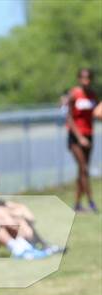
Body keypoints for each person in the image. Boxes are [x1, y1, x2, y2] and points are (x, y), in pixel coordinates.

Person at [0, 170, 64, 255]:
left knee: (19, 219)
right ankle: (34, 247)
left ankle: (40, 246)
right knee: (16, 221)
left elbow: (12, 206)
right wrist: (16, 216)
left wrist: (23, 210)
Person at [66, 68, 99, 213]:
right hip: (75, 137)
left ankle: (77, 204)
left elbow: (97, 111)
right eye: (84, 78)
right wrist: (79, 137)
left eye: (89, 78)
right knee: (84, 169)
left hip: (89, 135)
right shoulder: (74, 94)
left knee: (82, 171)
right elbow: (69, 117)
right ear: (79, 79)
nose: (86, 81)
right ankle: (92, 203)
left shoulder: (92, 95)